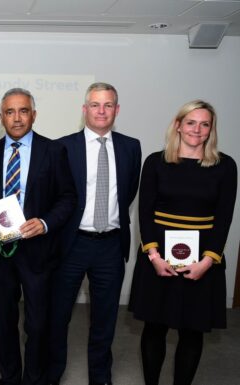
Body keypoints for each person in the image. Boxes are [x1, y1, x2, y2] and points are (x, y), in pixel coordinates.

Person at [128, 100, 237, 385]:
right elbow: (145, 214)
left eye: (205, 124)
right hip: (158, 257)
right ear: (178, 125)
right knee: (154, 328)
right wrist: (154, 257)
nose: (197, 129)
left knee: (192, 331)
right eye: (191, 122)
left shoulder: (225, 166)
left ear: (211, 130)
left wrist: (207, 262)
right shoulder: (155, 162)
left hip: (202, 260)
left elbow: (224, 218)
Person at [0, 88, 76, 385]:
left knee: (37, 324)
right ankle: (9, 379)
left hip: (39, 253)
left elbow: (68, 198)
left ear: (33, 114)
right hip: (1, 252)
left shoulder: (54, 151)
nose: (16, 118)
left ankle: (33, 379)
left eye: (22, 111)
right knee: (4, 323)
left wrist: (44, 223)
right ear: (1, 117)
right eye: (10, 112)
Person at [47, 83, 141, 385]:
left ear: (117, 109)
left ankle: (100, 379)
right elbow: (56, 198)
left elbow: (126, 194)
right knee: (57, 318)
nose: (102, 111)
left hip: (111, 246)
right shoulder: (62, 147)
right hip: (70, 245)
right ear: (84, 109)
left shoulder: (131, 147)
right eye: (96, 105)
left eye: (108, 105)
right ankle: (51, 375)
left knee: (105, 321)